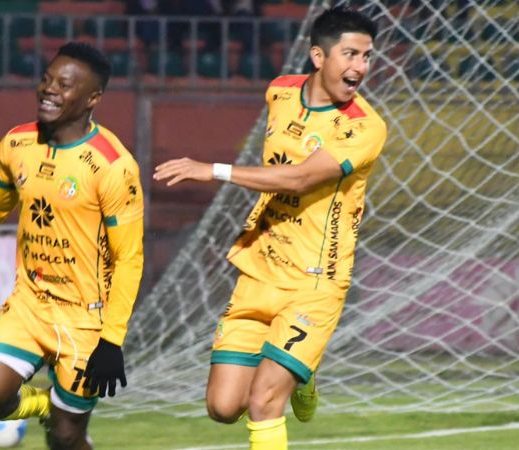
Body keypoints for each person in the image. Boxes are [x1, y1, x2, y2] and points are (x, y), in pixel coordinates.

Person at [153, 7, 385, 450]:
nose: (360, 67)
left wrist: (214, 170)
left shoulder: (364, 127)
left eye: (367, 56)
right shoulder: (279, 92)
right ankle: (305, 373)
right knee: (223, 408)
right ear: (318, 56)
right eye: (351, 54)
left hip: (314, 283)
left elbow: (298, 177)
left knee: (263, 402)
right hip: (259, 270)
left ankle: (295, 370)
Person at [0, 42, 144, 450]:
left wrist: (112, 340)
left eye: (64, 85)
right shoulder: (18, 144)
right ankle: (45, 407)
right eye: (46, 79)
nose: (48, 90)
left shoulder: (112, 166)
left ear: (93, 98)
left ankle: (61, 421)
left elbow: (129, 257)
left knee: (66, 439)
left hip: (84, 320)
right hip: (30, 304)